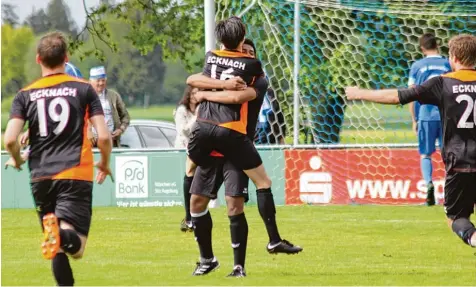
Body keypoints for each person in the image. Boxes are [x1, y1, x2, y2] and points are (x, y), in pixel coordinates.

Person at [345, 34, 476, 248]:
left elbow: (398, 96)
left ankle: (472, 237)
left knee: (456, 218)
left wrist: (360, 93)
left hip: (459, 162)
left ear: (453, 57)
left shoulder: (442, 83)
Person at [3, 31, 113, 286]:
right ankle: (60, 236)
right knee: (75, 247)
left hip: (40, 177)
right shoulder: (84, 89)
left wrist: (18, 160)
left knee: (57, 246)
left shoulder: (24, 94)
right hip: (75, 173)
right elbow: (104, 137)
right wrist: (105, 164)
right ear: (66, 57)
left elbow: (10, 139)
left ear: (39, 59)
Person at [186, 37, 302, 277]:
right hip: (212, 145)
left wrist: (207, 93)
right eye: (243, 51)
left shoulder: (259, 81)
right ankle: (207, 259)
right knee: (196, 202)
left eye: (250, 52)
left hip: (236, 144)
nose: (245, 55)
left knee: (234, 205)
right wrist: (217, 85)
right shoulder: (223, 74)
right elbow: (194, 81)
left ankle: (239, 266)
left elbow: (235, 97)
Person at [408, 33, 451, 206]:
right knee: (449, 154)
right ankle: (450, 190)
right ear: (437, 45)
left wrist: (414, 119)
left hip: (426, 114)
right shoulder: (448, 64)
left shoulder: (417, 66)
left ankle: (429, 185)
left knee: (426, 154)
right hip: (446, 115)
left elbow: (411, 93)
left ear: (422, 48)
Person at [174, 85, 199, 232]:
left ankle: (192, 216)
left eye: (198, 93)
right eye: (194, 93)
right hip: (186, 145)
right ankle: (189, 217)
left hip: (200, 145)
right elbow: (183, 130)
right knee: (189, 174)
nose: (196, 96)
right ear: (189, 95)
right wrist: (197, 117)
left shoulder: (203, 107)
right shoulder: (182, 110)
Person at [88, 66, 130, 148]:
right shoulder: (84, 96)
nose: (101, 83)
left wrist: (120, 130)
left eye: (103, 80)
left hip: (111, 143)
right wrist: (88, 131)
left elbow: (125, 117)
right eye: (98, 81)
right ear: (90, 81)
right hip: (91, 144)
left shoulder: (114, 96)